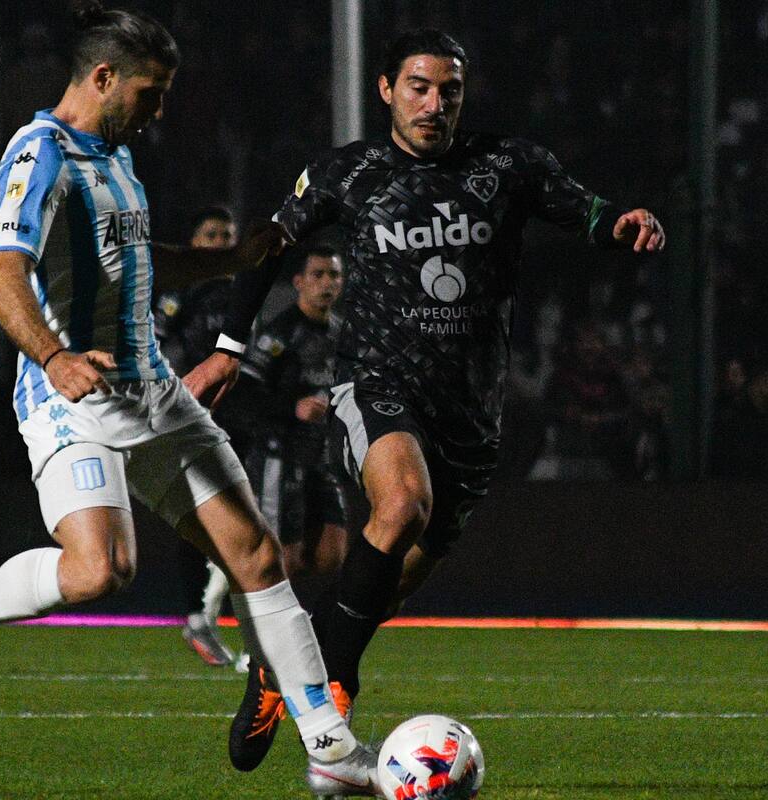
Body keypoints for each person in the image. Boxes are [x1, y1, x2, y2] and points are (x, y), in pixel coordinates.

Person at [0, 4, 378, 795]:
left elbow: (140, 267)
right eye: (151, 94)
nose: (159, 111)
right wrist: (52, 357)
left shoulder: (117, 159)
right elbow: (0, 275)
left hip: (156, 392)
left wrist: (224, 264)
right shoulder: (37, 154)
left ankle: (329, 746)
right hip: (69, 399)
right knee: (100, 572)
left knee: (255, 556)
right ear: (103, 78)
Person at [184, 28, 665, 772]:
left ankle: (279, 666)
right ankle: (331, 688)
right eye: (418, 86)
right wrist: (228, 349)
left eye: (449, 90)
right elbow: (270, 242)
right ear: (386, 90)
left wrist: (623, 223)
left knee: (394, 577)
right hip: (376, 385)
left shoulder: (508, 164)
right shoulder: (348, 171)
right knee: (401, 502)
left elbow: (588, 211)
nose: (434, 103)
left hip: (470, 413)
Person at [156, 206, 242, 667]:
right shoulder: (182, 293)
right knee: (201, 519)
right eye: (211, 233)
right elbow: (153, 340)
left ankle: (209, 616)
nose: (220, 241)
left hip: (245, 421)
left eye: (227, 234)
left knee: (247, 522)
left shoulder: (243, 291)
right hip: (192, 418)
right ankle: (199, 614)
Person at [237, 246, 348, 582]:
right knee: (284, 557)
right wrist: (292, 408)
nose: (327, 282)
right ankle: (267, 621)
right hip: (279, 453)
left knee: (331, 555)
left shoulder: (343, 333)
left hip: (321, 454)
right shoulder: (279, 334)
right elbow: (245, 392)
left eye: (334, 274)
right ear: (299, 282)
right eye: (318, 274)